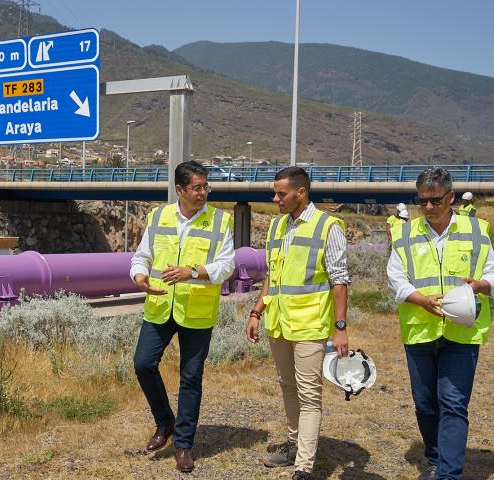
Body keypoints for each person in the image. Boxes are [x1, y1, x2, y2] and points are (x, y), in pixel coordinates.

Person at [387, 168, 494, 480]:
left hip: (462, 332)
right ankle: (436, 457)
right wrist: (420, 300)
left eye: (435, 200)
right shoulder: (405, 233)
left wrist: (481, 285)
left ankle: (449, 474)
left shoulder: (476, 229)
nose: (428, 207)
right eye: (422, 201)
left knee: (453, 403)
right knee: (425, 404)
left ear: (450, 197)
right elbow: (395, 279)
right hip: (420, 331)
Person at [129, 160, 235, 473]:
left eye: (206, 186)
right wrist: (138, 275)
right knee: (142, 363)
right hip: (160, 306)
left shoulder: (220, 221)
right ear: (180, 189)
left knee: (191, 379)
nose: (204, 192)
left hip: (197, 311)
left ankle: (184, 444)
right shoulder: (159, 216)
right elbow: (142, 256)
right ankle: (165, 422)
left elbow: (227, 266)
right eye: (197, 187)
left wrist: (194, 272)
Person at [246, 166, 350, 480]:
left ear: (300, 193)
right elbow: (272, 277)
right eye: (274, 192)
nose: (275, 198)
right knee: (288, 387)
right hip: (278, 323)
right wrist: (256, 311)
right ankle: (294, 445)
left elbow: (340, 280)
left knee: (309, 394)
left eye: (281, 193)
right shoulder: (277, 226)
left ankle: (304, 466)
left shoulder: (328, 226)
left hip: (310, 324)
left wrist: (341, 328)